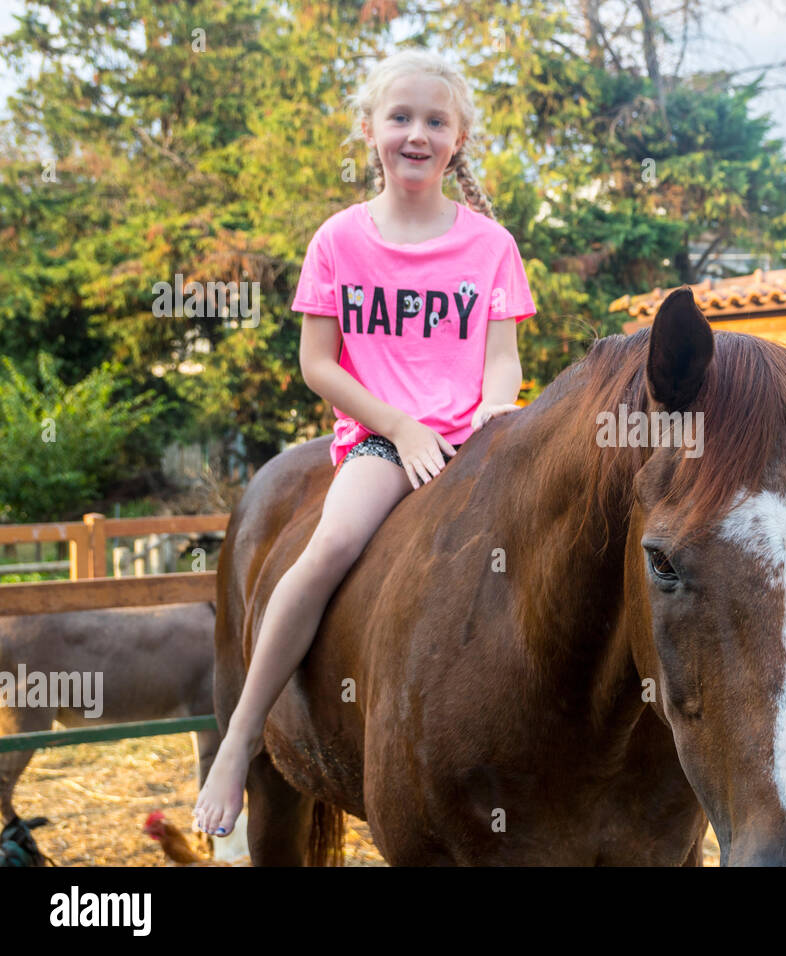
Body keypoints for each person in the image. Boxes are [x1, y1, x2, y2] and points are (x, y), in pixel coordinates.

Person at [192, 48, 537, 838]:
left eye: (435, 121)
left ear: (458, 138)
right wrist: (400, 426)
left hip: (475, 441)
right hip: (386, 442)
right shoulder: (340, 241)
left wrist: (494, 408)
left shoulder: (490, 246)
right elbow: (318, 363)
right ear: (371, 130)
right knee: (329, 545)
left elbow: (502, 356)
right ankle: (242, 737)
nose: (417, 133)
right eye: (401, 118)